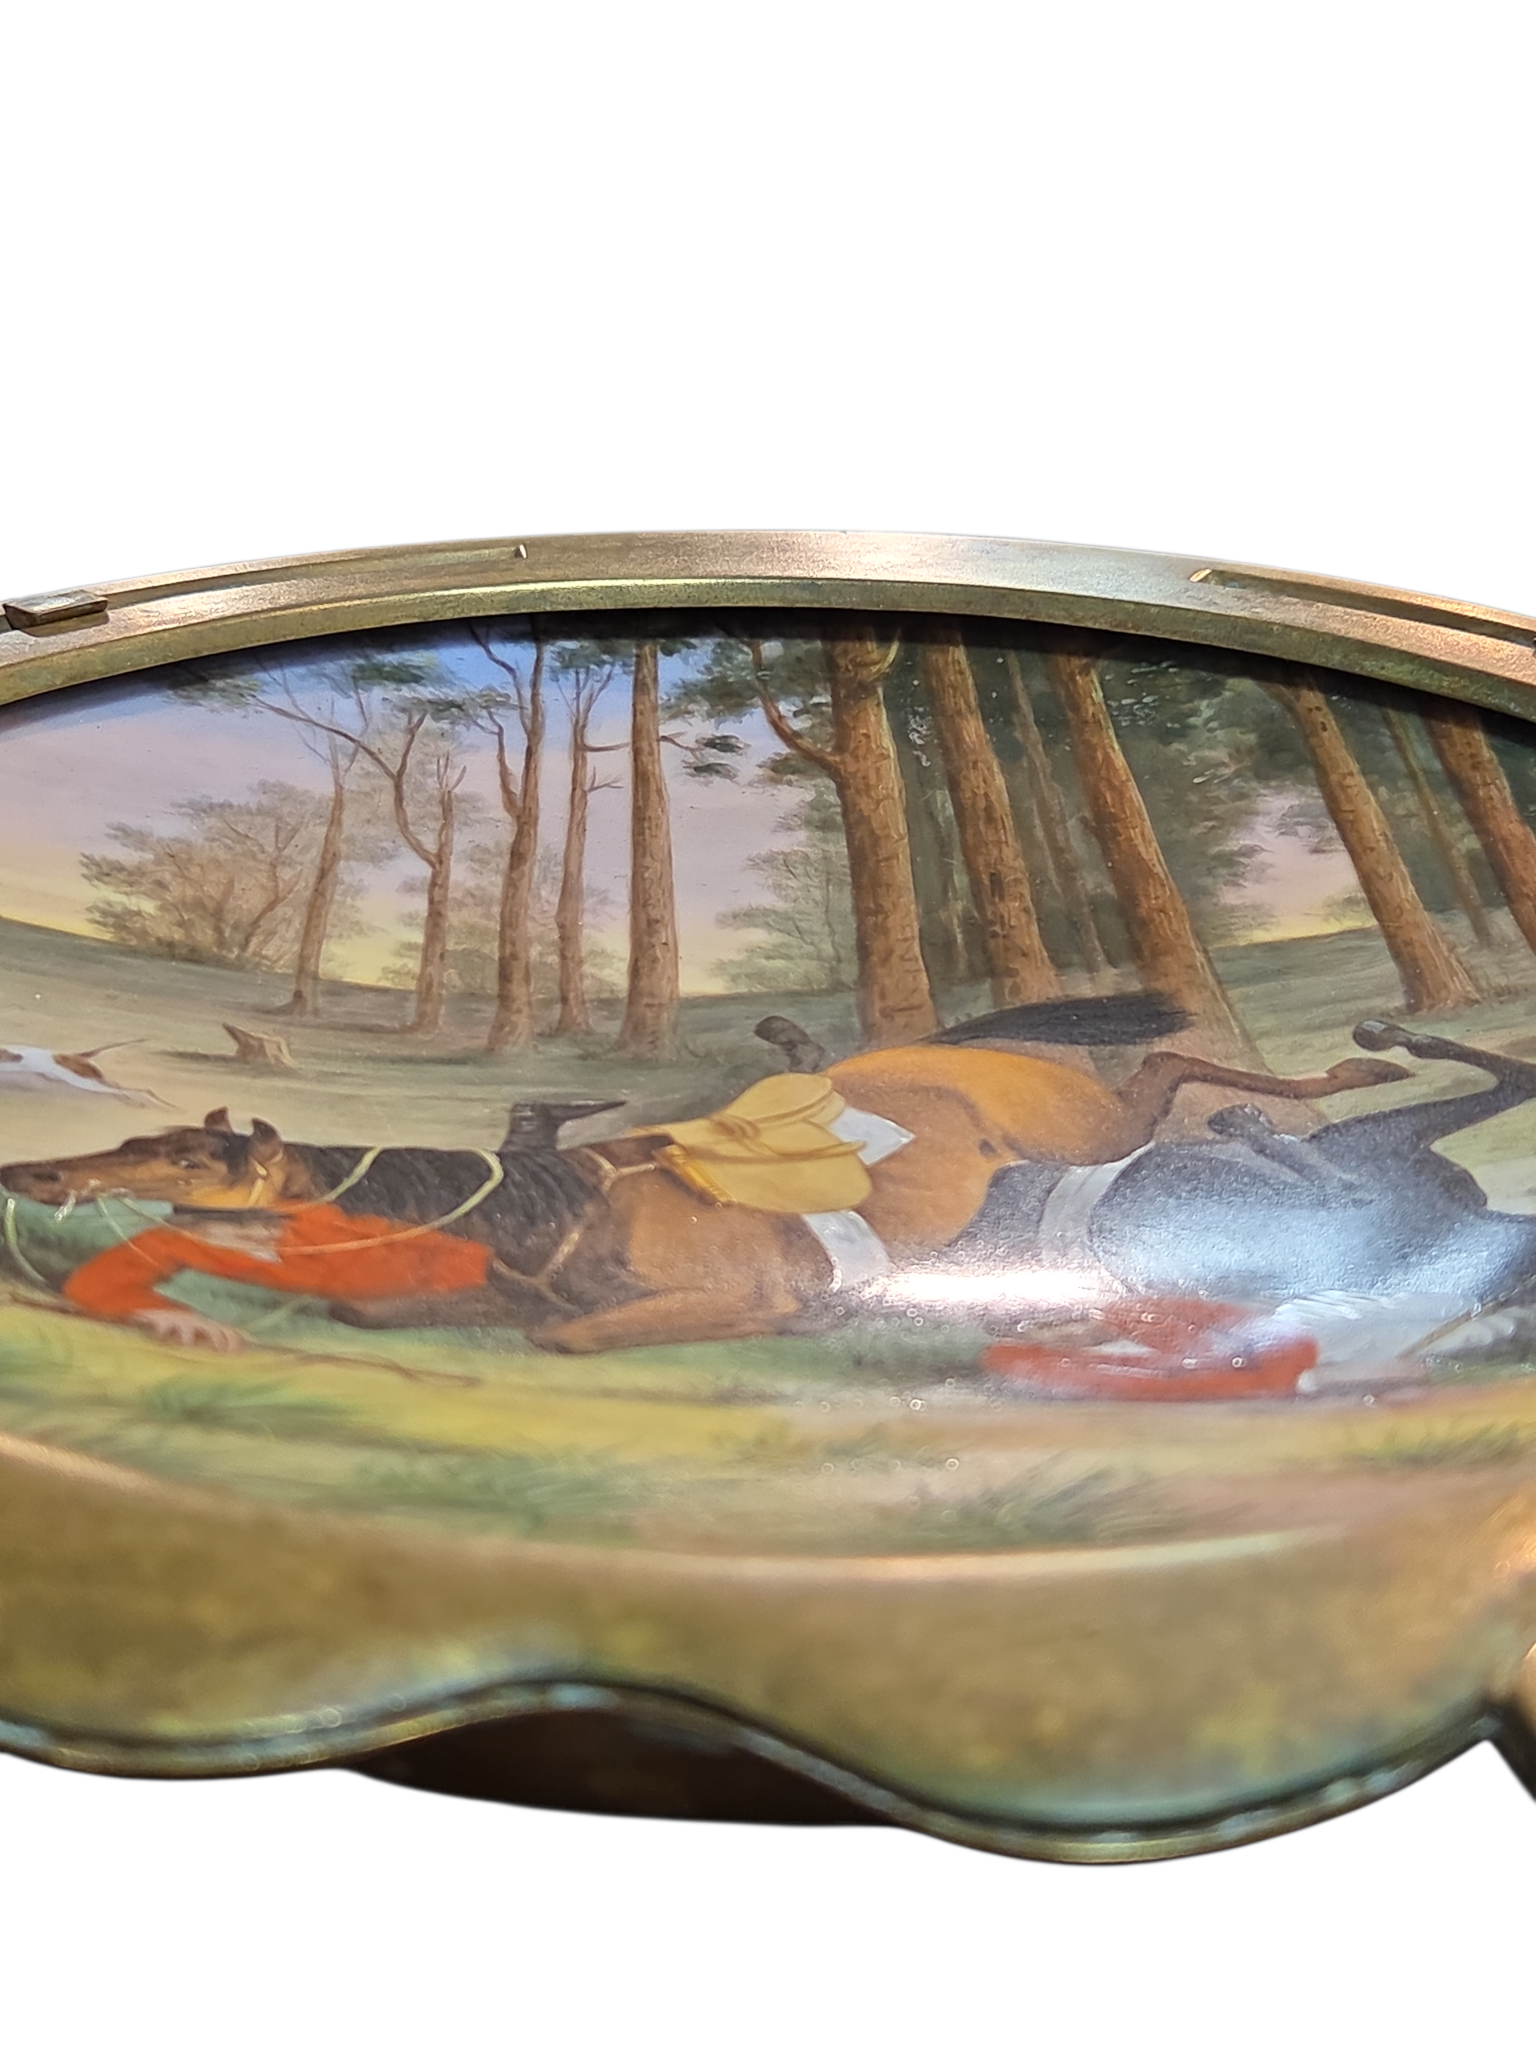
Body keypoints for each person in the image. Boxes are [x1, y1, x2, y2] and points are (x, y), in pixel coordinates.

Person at [63, 1203, 493, 1352]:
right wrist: (162, 1311)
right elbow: (92, 1285)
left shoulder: (326, 1222)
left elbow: (462, 1246)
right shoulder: (176, 1241)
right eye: (237, 1231)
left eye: (266, 1226)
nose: (259, 1237)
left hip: (475, 1279)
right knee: (361, 1313)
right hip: (391, 1304)